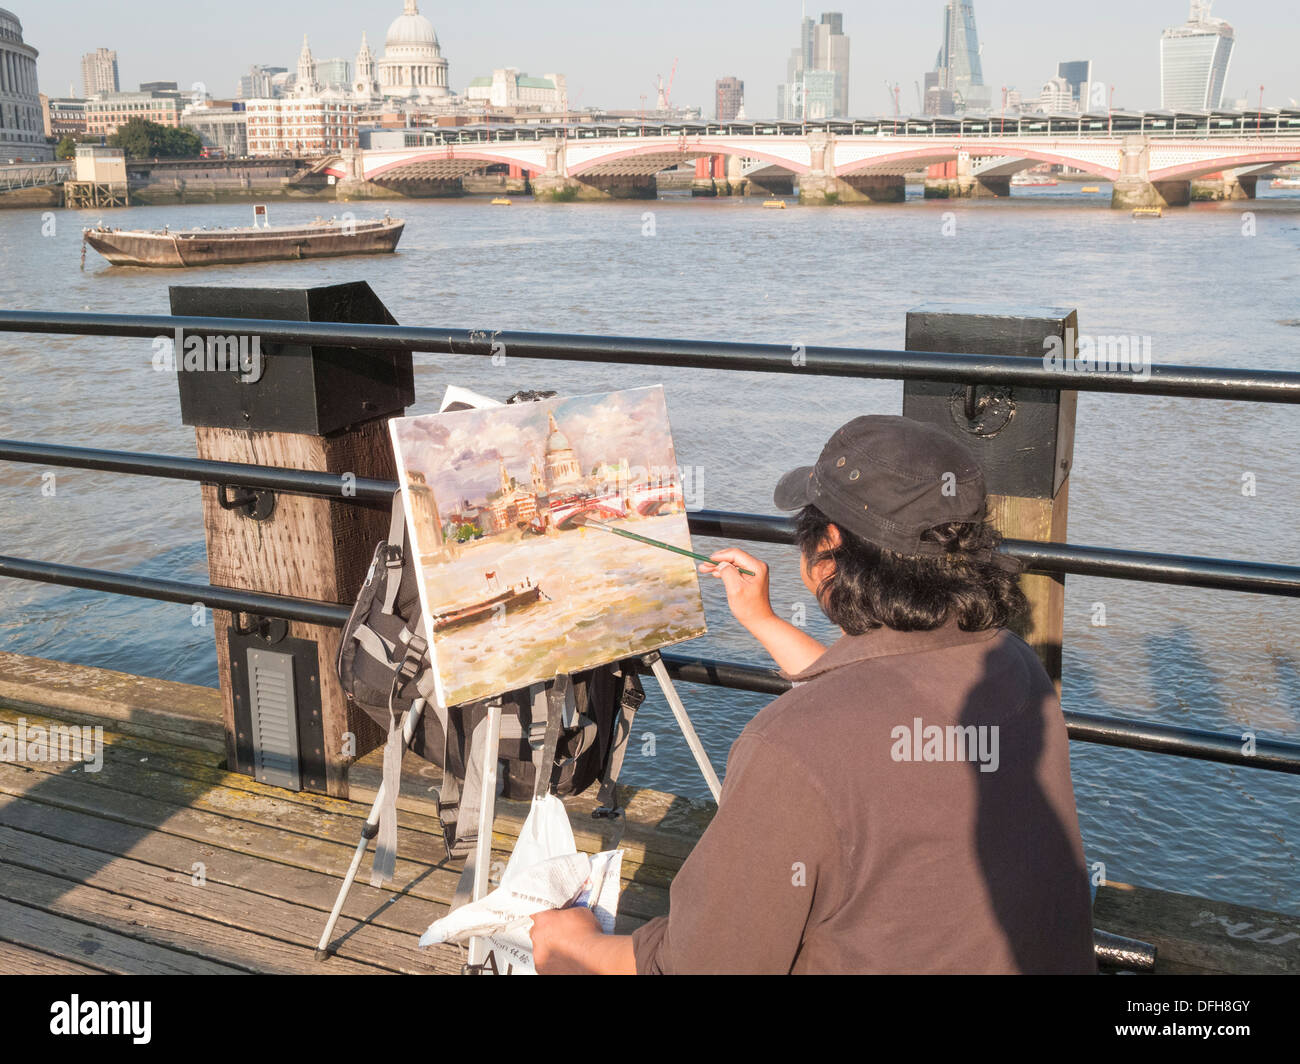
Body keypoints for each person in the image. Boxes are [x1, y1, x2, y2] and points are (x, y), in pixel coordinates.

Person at [530, 415, 1096, 974]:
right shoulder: (1011, 666)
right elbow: (881, 703)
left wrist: (572, 945)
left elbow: (703, 967)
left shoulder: (790, 747)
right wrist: (761, 619)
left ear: (826, 548)